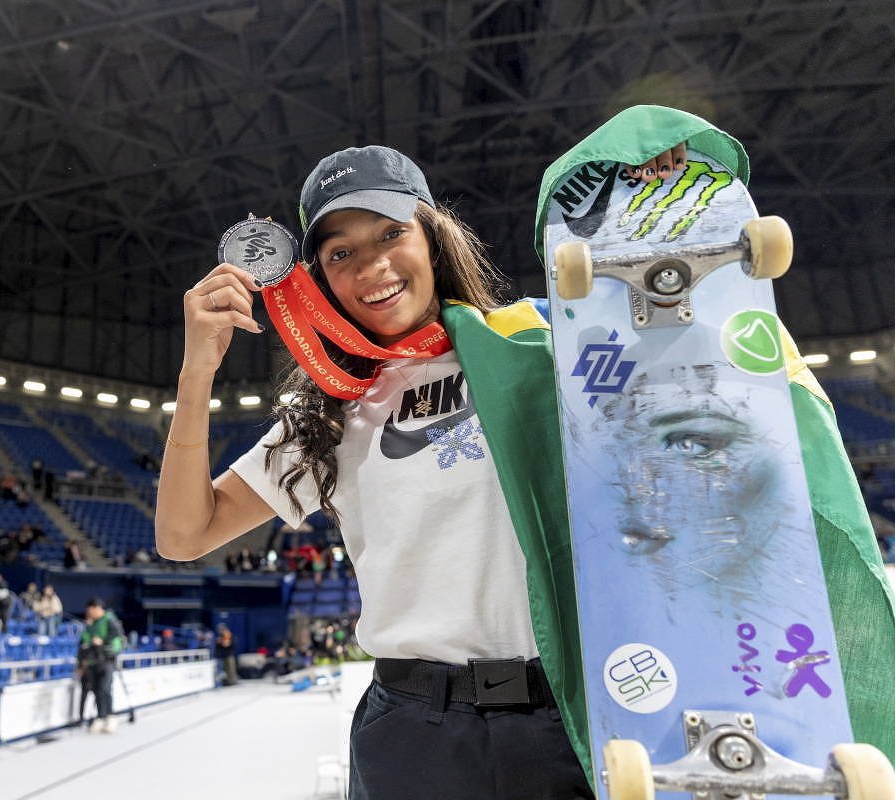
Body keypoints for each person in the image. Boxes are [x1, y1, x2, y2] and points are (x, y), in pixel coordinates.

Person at [155, 106, 895, 798]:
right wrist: (197, 372)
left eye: (389, 234)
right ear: (319, 279)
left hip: (569, 714)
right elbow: (186, 534)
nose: (372, 266)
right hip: (414, 732)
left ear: (430, 235)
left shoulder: (544, 342)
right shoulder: (327, 411)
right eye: (341, 251)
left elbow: (688, 360)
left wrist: (646, 206)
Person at [76, 598, 124, 733]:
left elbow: (118, 636)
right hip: (93, 662)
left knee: (105, 689)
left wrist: (102, 641)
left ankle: (110, 716)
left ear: (96, 608)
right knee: (97, 690)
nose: (88, 613)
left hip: (106, 661)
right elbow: (83, 643)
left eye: (90, 610)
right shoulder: (92, 624)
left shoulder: (109, 620)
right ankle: (100, 716)